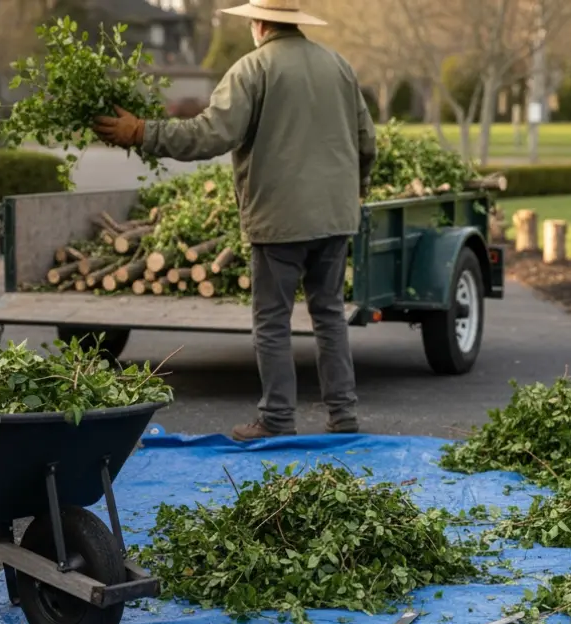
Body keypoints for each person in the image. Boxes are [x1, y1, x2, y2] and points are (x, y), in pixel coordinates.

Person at [92, 0, 375, 442]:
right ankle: (344, 418)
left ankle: (278, 420)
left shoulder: (253, 69)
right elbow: (366, 142)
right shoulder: (338, 65)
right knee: (330, 315)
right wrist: (352, 192)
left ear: (259, 24)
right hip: (337, 218)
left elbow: (210, 134)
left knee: (272, 321)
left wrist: (143, 132)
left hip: (280, 218)